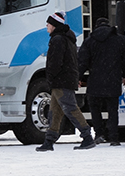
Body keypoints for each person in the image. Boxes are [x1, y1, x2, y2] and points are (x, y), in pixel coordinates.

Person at [38, 11, 94, 151]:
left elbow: (56, 62)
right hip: (63, 80)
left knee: (70, 108)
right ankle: (49, 141)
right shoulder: (66, 39)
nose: (47, 26)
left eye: (49, 24)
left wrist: (50, 76)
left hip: (61, 80)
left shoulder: (58, 40)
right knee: (55, 111)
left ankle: (87, 136)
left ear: (54, 25)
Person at [78, 14, 125, 145]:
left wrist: (78, 77)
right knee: (113, 109)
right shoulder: (119, 40)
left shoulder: (90, 40)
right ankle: (114, 137)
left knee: (95, 108)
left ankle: (99, 133)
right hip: (113, 80)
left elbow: (82, 61)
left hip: (95, 80)